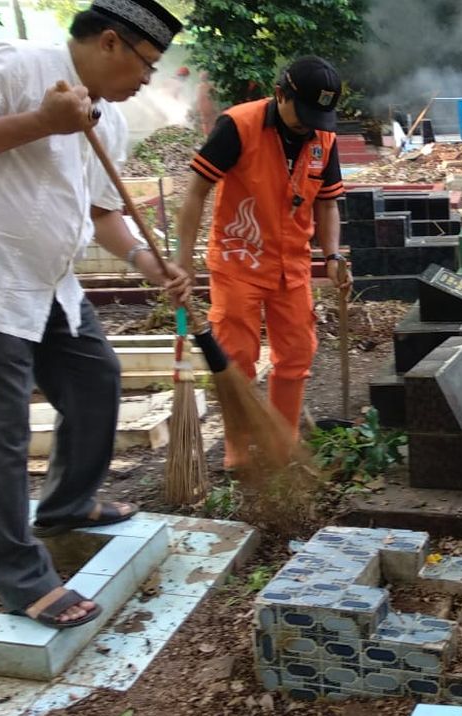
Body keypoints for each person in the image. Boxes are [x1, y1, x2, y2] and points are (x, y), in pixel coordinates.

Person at [0, 0, 189, 628]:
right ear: (108, 43)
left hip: (48, 288)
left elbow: (101, 216)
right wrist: (43, 121)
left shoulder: (110, 120)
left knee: (96, 379)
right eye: (147, 65)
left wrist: (148, 265)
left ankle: (67, 504)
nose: (148, 80)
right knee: (0, 437)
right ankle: (20, 575)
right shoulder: (15, 64)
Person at [176, 55, 351, 470]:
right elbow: (195, 192)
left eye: (318, 116)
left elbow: (327, 204)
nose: (309, 124)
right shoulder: (238, 126)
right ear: (280, 94)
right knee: (236, 355)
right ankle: (238, 446)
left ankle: (281, 443)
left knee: (297, 353)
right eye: (303, 112)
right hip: (240, 259)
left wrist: (333, 255)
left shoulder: (322, 137)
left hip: (291, 265)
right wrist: (182, 260)